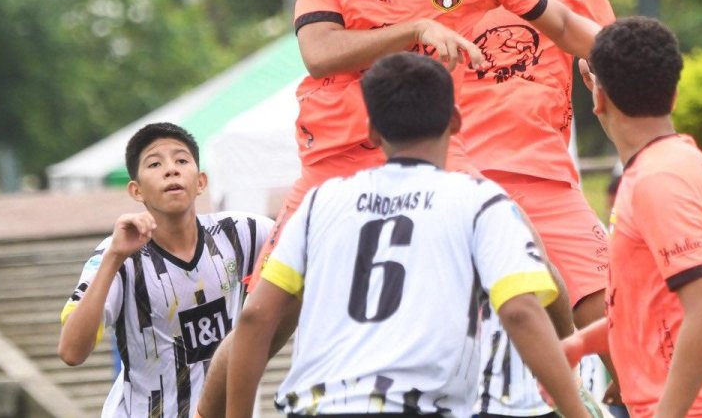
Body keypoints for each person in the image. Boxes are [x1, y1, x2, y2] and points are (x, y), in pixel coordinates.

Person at [249, 0, 601, 290]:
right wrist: (415, 28)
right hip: (333, 160)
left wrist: (639, 63)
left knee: (535, 280)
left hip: (444, 158)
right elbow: (319, 54)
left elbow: (565, 26)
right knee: (260, 316)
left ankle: (561, 362)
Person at [211, 52, 598, 418]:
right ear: (456, 121)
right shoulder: (479, 202)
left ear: (373, 132)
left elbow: (254, 318)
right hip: (418, 406)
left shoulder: (320, 204)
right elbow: (519, 310)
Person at [433, 0, 617, 414]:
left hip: (547, 179)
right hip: (459, 187)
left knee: (610, 312)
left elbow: (612, 61)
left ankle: (615, 396)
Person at [561, 17, 702, 417]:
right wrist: (580, 344)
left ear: (598, 99)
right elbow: (656, 308)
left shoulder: (657, 179)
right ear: (674, 95)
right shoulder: (675, 159)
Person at [58, 122, 272, 418]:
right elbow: (71, 351)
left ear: (200, 181)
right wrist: (114, 258)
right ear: (136, 190)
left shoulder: (244, 232)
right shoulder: (118, 253)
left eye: (181, 160)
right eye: (155, 163)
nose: (171, 170)